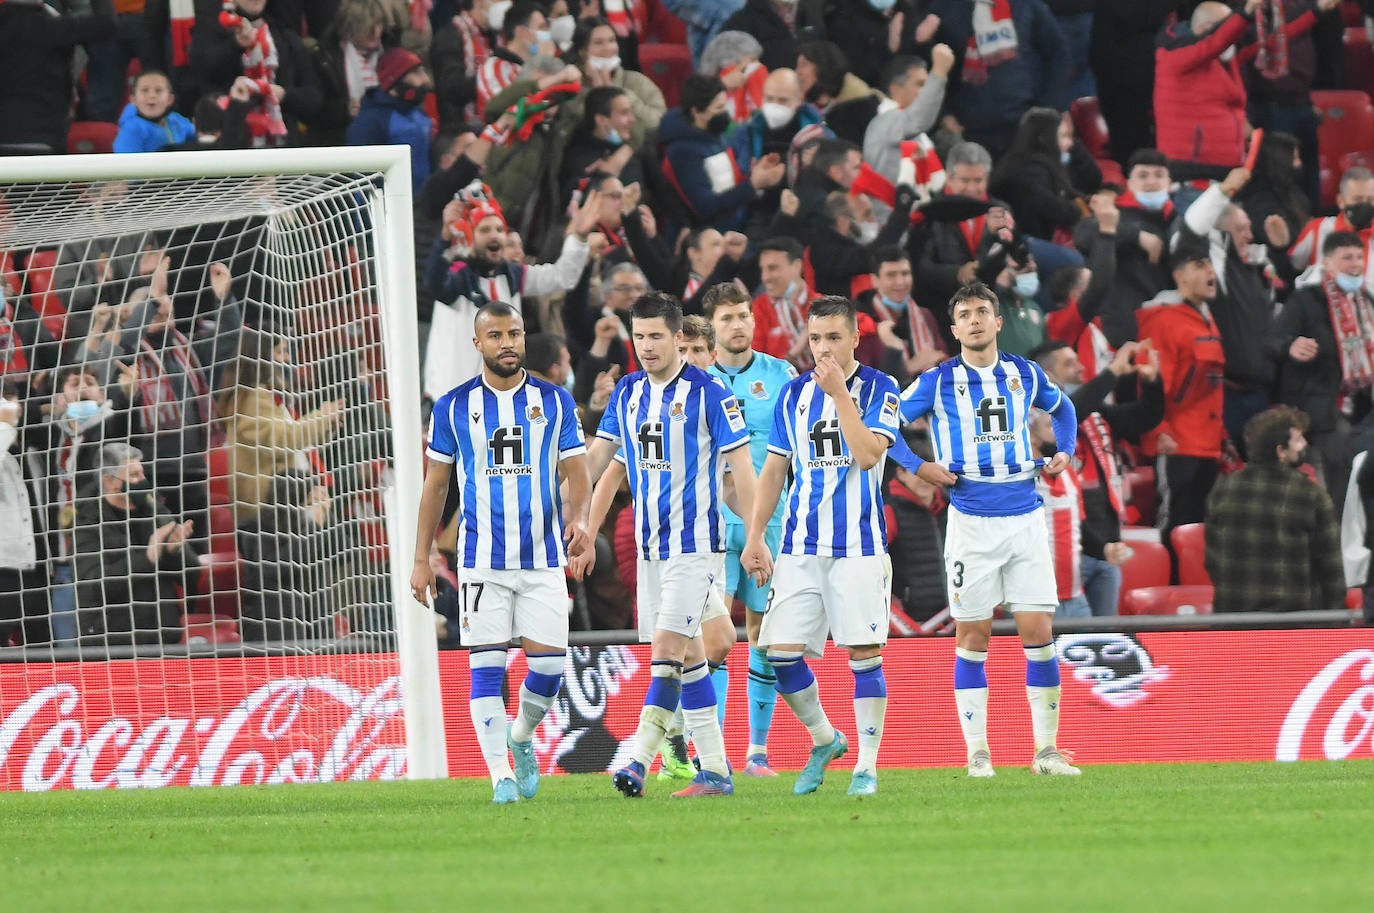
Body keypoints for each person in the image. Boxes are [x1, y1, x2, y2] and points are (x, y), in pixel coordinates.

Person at [575, 291, 758, 799]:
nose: (647, 346)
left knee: (667, 652)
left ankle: (637, 758)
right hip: (650, 548)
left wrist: (756, 537)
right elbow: (598, 464)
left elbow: (742, 468)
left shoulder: (709, 393)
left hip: (696, 546)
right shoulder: (629, 392)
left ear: (678, 337)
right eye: (640, 337)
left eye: (656, 336)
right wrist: (576, 516)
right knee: (695, 656)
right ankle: (716, 772)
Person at [410, 302, 592, 805]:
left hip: (542, 558)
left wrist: (579, 519)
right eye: (495, 335)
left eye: (514, 333)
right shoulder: (451, 407)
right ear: (478, 344)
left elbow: (578, 473)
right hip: (481, 560)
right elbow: (435, 486)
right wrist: (421, 558)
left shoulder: (555, 402)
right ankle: (500, 777)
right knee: (486, 668)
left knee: (550, 671)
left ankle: (520, 737)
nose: (507, 342)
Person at [898, 281, 1080, 778]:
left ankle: (1046, 751)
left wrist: (1064, 451)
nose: (975, 320)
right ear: (954, 329)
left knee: (1038, 633)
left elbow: (1064, 408)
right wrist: (920, 465)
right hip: (971, 521)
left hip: (1024, 515)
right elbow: (883, 422)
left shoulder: (1025, 373)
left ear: (999, 322)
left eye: (983, 311)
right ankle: (978, 752)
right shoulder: (937, 381)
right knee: (973, 634)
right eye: (965, 314)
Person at [738, 295, 899, 796]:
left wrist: (840, 396)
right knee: (779, 655)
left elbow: (870, 455)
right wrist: (756, 534)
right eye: (815, 339)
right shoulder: (792, 396)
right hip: (800, 547)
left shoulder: (881, 387)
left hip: (858, 546)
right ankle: (825, 738)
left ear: (855, 338)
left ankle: (866, 767)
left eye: (834, 337)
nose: (823, 348)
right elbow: (773, 471)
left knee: (863, 655)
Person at [704, 282, 797, 775]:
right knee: (713, 639)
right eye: (726, 319)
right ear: (711, 328)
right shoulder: (697, 380)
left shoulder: (781, 375)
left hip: (772, 521)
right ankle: (710, 754)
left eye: (743, 316)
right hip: (713, 528)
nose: (737, 325)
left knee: (765, 634)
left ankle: (757, 752)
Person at [424, 183, 599, 400]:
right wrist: (444, 238)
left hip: (497, 396)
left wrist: (579, 238)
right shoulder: (458, 275)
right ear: (470, 235)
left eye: (499, 229)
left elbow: (562, 277)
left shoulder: (512, 275)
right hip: (453, 396)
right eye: (485, 230)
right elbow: (434, 285)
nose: (495, 236)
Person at [1034, 339, 1164, 617]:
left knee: (1102, 640)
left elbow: (1144, 418)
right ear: (1048, 375)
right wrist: (1112, 374)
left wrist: (1152, 383)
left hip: (1108, 546)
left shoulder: (1095, 414)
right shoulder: (1038, 423)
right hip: (1068, 551)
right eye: (1069, 364)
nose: (1080, 369)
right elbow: (1068, 413)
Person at [1270, 231, 1374, 513]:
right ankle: (1338, 541)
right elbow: (1274, 338)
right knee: (1340, 484)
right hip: (1322, 408)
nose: (1355, 264)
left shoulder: (1366, 302)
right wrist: (1292, 345)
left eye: (1359, 257)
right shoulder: (1307, 299)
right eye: (1346, 258)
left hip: (1363, 407)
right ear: (1327, 264)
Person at [1205, 405, 1344, 613]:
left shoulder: (1224, 489)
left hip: (1233, 621)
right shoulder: (1310, 494)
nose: (1304, 444)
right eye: (1297, 440)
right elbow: (1331, 569)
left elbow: (1211, 559)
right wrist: (1333, 618)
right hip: (1294, 625)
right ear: (1280, 451)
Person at [1138, 239, 1227, 545]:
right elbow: (1151, 381)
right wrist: (1159, 429)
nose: (1210, 272)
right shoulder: (1164, 320)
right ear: (1179, 276)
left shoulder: (1206, 318)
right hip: (1177, 443)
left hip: (1207, 442)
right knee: (1175, 526)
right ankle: (1170, 586)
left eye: (1210, 264)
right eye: (1199, 265)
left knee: (1199, 530)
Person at [74, 443, 200, 647]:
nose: (143, 481)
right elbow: (92, 586)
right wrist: (147, 559)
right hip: (113, 643)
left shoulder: (156, 511)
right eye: (134, 476)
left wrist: (172, 551)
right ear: (109, 481)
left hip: (163, 638)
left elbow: (194, 573)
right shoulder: (88, 522)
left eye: (142, 473)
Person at [660, 74, 787, 233]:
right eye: (719, 108)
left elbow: (727, 183)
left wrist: (756, 175)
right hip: (704, 240)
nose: (725, 113)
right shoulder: (682, 152)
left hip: (729, 230)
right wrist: (753, 185)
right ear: (697, 112)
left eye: (725, 106)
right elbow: (706, 206)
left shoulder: (715, 134)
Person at [345, 48, 435, 194]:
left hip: (422, 207)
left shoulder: (419, 115)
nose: (426, 79)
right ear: (394, 82)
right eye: (417, 73)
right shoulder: (369, 122)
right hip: (389, 210)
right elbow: (361, 183)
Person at [858, 246, 949, 389]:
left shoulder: (925, 316)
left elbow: (942, 361)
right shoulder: (863, 324)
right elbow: (863, 383)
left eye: (905, 273)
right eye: (891, 275)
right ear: (875, 280)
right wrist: (909, 368)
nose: (900, 282)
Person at [751, 236, 813, 368]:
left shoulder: (821, 304)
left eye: (772, 268)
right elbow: (757, 367)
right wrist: (795, 352)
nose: (765, 277)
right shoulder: (758, 308)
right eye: (763, 269)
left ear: (796, 266)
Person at [114, 71, 197, 153]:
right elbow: (127, 164)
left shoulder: (176, 120)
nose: (152, 96)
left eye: (158, 90)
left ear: (170, 99)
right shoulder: (131, 130)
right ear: (133, 99)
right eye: (145, 90)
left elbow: (200, 135)